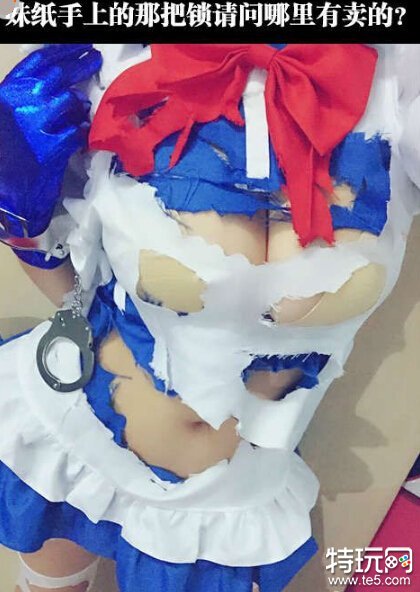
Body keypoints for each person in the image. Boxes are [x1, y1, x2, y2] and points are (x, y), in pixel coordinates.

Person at [0, 43, 418, 592]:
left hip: (228, 497)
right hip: (75, 437)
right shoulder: (118, 60)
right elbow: (49, 251)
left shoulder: (398, 90)